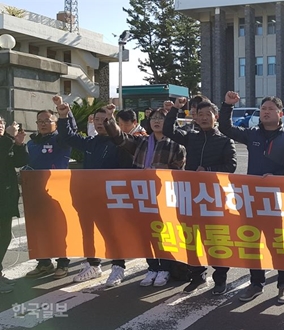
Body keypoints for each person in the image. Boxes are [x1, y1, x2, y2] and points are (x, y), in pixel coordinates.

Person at [218, 91, 284, 303]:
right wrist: (227, 105)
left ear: (280, 114)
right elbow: (225, 128)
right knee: (252, 242)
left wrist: (277, 177)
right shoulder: (252, 134)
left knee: (278, 243)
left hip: (278, 200)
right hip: (252, 199)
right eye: (263, 109)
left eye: (270, 109)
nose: (265, 112)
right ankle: (256, 283)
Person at [104, 108, 186, 288]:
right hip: (142, 195)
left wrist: (158, 172)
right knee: (146, 231)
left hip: (164, 194)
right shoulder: (141, 142)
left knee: (164, 231)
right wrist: (110, 120)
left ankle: (164, 267)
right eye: (154, 118)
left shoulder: (175, 144)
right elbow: (120, 139)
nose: (157, 121)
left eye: (161, 118)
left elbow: (179, 171)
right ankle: (152, 267)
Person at [163, 97, 237, 294]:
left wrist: (209, 169)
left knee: (216, 239)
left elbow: (231, 166)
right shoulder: (191, 137)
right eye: (200, 115)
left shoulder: (224, 140)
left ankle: (220, 279)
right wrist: (175, 109)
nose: (204, 118)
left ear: (216, 117)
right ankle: (197, 275)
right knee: (192, 237)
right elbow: (168, 130)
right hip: (191, 196)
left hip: (214, 197)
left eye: (208, 115)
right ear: (195, 118)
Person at [56, 101, 130, 286]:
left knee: (111, 233)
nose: (99, 122)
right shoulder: (91, 142)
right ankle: (93, 264)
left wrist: (111, 121)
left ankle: (118, 267)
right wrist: (63, 116)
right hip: (88, 196)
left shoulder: (120, 142)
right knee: (87, 231)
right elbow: (69, 137)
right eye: (96, 119)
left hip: (111, 197)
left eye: (104, 119)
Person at [24, 102, 74, 279]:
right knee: (39, 228)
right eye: (40, 121)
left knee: (58, 227)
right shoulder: (31, 144)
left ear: (55, 122)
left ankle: (63, 263)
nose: (43, 124)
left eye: (47, 120)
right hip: (36, 192)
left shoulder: (61, 140)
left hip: (57, 191)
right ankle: (44, 262)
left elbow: (70, 130)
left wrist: (64, 114)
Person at [0, 118, 27, 294]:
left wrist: (18, 144)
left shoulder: (6, 143)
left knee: (4, 237)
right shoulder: (4, 143)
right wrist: (9, 138)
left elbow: (19, 162)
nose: (1, 127)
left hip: (7, 198)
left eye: (2, 124)